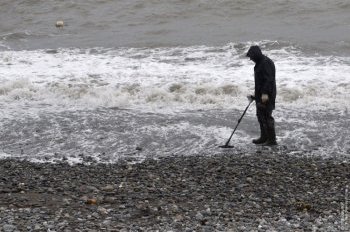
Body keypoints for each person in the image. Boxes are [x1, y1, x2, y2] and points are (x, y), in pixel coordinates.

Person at [246, 45, 277, 146]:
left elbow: (269, 80)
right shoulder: (260, 63)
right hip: (261, 94)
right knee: (260, 115)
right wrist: (256, 95)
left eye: (251, 56)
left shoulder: (265, 63)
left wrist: (264, 94)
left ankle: (272, 140)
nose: (250, 59)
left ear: (256, 55)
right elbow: (261, 81)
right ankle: (264, 137)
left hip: (267, 94)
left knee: (267, 116)